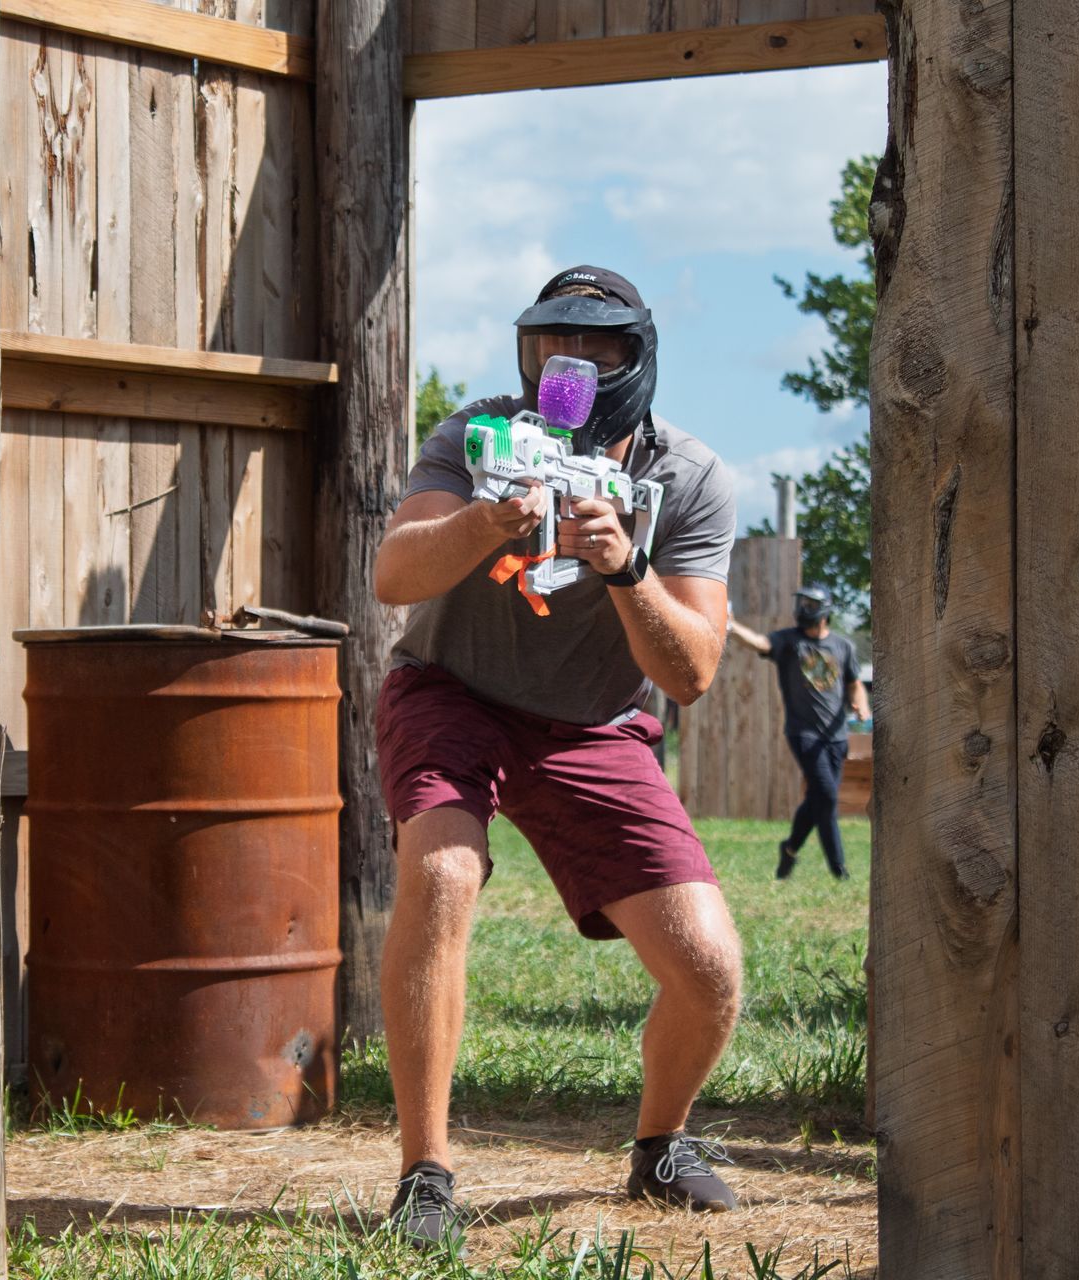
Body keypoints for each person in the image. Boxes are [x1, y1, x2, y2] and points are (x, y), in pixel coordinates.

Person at [371, 265, 744, 1248]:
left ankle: (660, 1144)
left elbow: (695, 667)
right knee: (442, 872)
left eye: (596, 347)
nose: (567, 364)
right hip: (454, 688)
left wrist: (625, 564)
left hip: (592, 724)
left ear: (638, 354)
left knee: (707, 968)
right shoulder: (478, 434)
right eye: (547, 345)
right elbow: (393, 575)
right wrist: (484, 518)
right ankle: (426, 1170)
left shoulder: (689, 476)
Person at [724, 585, 873, 880]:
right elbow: (759, 643)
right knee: (827, 795)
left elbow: (855, 682)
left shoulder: (843, 647)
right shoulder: (789, 641)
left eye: (810, 604)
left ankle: (790, 849)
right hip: (803, 733)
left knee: (819, 797)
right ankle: (839, 869)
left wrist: (862, 706)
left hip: (837, 736)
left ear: (824, 611)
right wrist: (729, 625)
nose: (803, 608)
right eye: (801, 602)